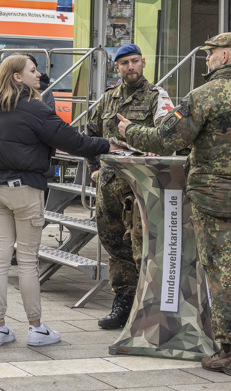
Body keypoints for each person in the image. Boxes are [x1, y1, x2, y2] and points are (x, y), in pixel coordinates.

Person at [116, 32, 231, 378]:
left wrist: (129, 131)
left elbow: (169, 138)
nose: (207, 60)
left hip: (210, 198)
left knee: (220, 273)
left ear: (226, 57)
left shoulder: (204, 96)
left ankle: (229, 351)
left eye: (210, 54)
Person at [0, 54, 111, 347]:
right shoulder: (36, 108)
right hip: (26, 188)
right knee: (29, 261)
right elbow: (75, 142)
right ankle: (36, 328)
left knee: (0, 258)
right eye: (32, 70)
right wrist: (108, 144)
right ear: (17, 76)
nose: (38, 74)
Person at [88, 43, 158, 330]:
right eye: (124, 63)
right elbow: (91, 134)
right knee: (114, 244)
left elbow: (167, 137)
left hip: (140, 188)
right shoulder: (107, 100)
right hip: (109, 187)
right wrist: (93, 169)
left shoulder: (156, 98)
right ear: (116, 68)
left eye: (134, 61)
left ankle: (148, 306)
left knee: (142, 248)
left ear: (143, 63)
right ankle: (122, 303)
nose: (130, 67)